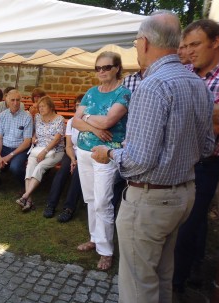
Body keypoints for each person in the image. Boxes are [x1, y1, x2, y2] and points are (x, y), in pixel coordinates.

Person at [91, 11, 214, 302]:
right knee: (161, 276)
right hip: (184, 194)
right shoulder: (198, 83)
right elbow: (207, 147)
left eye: (135, 44)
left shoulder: (152, 85)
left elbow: (140, 160)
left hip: (151, 201)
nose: (136, 49)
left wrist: (108, 152)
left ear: (145, 42)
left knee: (138, 286)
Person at [173, 18, 219, 295]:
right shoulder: (185, 72)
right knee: (178, 223)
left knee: (186, 227)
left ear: (215, 42)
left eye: (195, 44)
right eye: (185, 46)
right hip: (177, 160)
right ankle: (186, 271)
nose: (188, 51)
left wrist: (184, 118)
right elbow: (169, 114)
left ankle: (173, 288)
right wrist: (209, 111)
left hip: (205, 164)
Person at [71, 51, 130, 271]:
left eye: (106, 67)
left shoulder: (123, 94)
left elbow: (108, 121)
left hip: (106, 154)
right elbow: (75, 122)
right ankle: (95, 238)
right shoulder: (90, 92)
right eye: (98, 68)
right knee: (90, 199)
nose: (102, 72)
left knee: (103, 201)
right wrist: (92, 124)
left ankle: (106, 250)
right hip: (84, 151)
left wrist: (87, 119)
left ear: (116, 68)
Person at [42, 96, 86, 222]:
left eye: (82, 105)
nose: (79, 108)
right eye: (77, 105)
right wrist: (72, 159)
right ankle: (51, 204)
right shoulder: (72, 122)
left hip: (85, 154)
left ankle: (69, 208)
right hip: (71, 152)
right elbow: (68, 145)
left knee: (78, 174)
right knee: (61, 173)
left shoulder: (91, 121)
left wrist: (77, 161)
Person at [17, 96, 65, 211]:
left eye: (43, 106)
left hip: (55, 151)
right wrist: (33, 137)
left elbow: (57, 139)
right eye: (39, 107)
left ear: (51, 107)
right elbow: (35, 131)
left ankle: (25, 196)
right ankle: (28, 201)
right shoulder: (37, 117)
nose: (40, 109)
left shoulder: (60, 119)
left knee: (40, 167)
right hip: (37, 150)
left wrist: (45, 151)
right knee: (29, 167)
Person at [0, 89, 33, 193]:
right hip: (4, 148)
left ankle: (23, 185)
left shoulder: (27, 117)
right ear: (6, 101)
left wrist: (9, 156)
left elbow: (27, 142)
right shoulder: (2, 115)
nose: (15, 103)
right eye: (12, 100)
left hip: (20, 149)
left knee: (15, 167)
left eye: (18, 100)